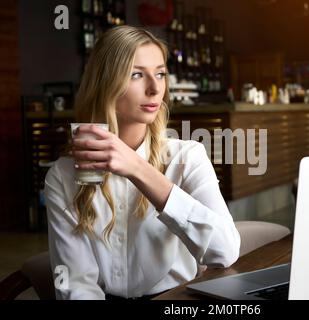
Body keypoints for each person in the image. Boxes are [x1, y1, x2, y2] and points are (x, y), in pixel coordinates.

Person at [44, 25, 241, 300]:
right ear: (104, 83)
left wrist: (137, 169)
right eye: (137, 74)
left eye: (160, 74)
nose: (154, 88)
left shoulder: (187, 157)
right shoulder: (63, 175)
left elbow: (224, 251)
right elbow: (77, 285)